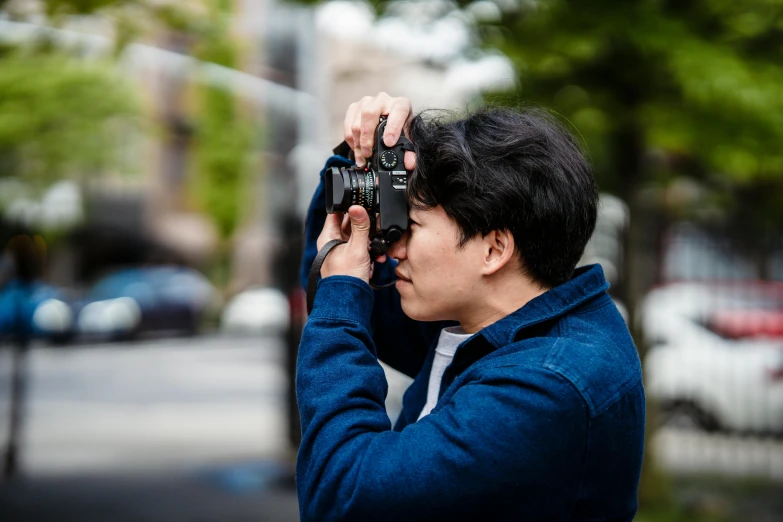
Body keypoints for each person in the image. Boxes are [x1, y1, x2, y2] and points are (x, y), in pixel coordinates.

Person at [296, 93, 645, 522]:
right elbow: (337, 292)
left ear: (494, 248)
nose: (397, 245)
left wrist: (343, 287)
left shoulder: (545, 385)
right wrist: (360, 156)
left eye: (413, 224)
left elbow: (343, 495)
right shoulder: (497, 323)